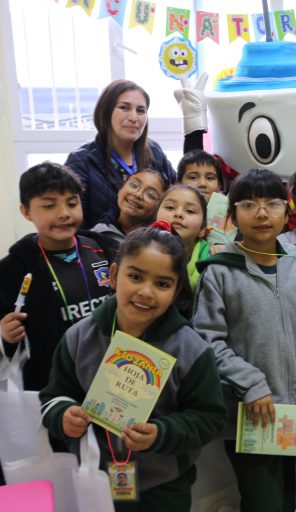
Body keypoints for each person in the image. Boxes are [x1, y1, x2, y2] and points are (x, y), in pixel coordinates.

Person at [192, 169, 296, 512]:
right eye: (249, 204)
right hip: (252, 416)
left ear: (286, 214)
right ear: (232, 214)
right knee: (264, 503)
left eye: (272, 204)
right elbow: (207, 341)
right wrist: (251, 382)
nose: (261, 213)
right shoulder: (218, 271)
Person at [39, 224, 227, 511]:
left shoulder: (192, 350)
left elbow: (210, 418)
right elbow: (53, 395)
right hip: (94, 479)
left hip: (164, 488)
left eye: (162, 284)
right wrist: (63, 415)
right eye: (135, 276)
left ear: (176, 291)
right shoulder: (79, 337)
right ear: (113, 276)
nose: (146, 292)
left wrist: (162, 432)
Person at [0, 163, 112, 392]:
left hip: (112, 378)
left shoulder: (103, 248)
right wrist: (4, 336)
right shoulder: (12, 269)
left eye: (72, 203)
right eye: (49, 205)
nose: (64, 213)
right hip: (54, 387)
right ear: (26, 211)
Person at [65, 79, 176, 229]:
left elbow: (178, 196)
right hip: (101, 249)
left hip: (152, 245)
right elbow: (75, 224)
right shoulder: (82, 160)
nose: (133, 117)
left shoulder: (154, 152)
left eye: (141, 110)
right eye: (124, 107)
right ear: (106, 111)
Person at [92, 169, 166, 261]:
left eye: (150, 195)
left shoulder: (163, 242)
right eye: (134, 185)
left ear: (159, 207)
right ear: (120, 188)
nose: (138, 194)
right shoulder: (96, 235)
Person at [155, 185, 210, 291]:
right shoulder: (138, 248)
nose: (178, 214)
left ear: (202, 229)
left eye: (190, 211)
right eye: (170, 207)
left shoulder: (213, 263)